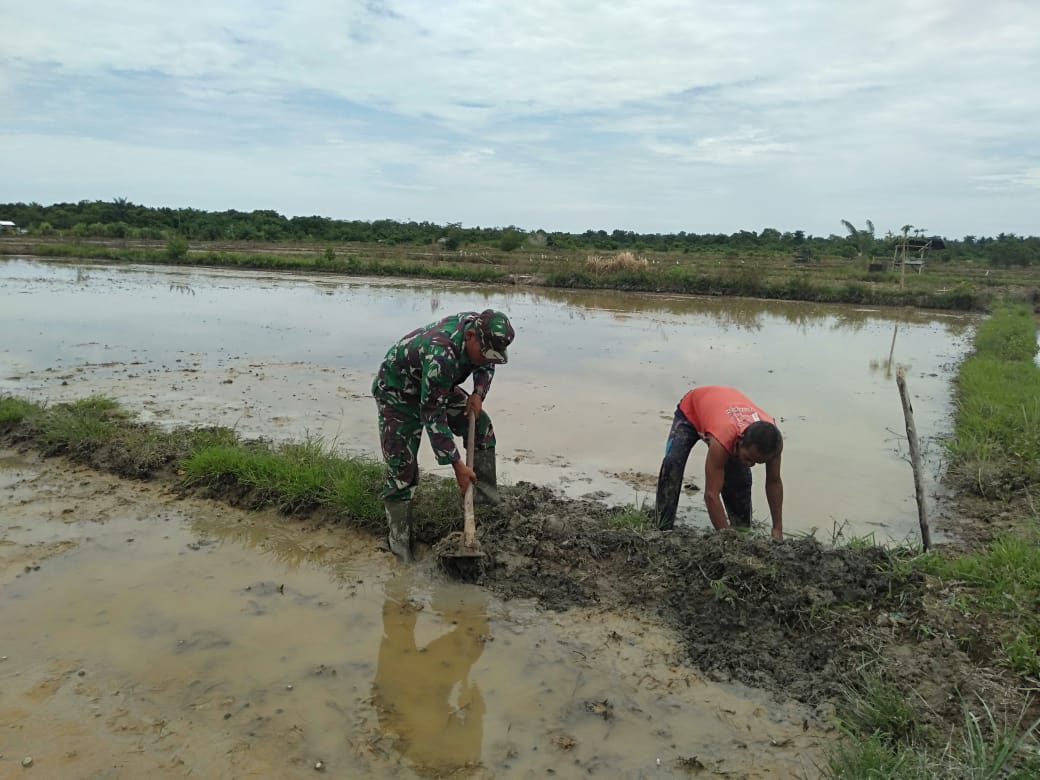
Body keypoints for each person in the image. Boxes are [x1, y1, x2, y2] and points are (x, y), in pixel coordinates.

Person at [373, 309, 515, 562]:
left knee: (481, 425)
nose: (486, 359)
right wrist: (457, 465)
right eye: (483, 354)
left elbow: (487, 363)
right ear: (470, 336)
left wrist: (478, 393)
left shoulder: (481, 332)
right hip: (398, 393)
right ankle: (399, 541)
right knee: (402, 469)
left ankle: (482, 499)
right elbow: (432, 413)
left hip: (437, 387)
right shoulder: (442, 354)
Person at [655, 385, 785, 539]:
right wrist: (727, 538)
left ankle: (742, 529)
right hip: (692, 409)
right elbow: (711, 494)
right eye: (749, 458)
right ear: (740, 440)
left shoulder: (773, 442)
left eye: (757, 462)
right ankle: (662, 527)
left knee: (741, 479)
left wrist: (777, 528)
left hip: (724, 409)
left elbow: (774, 481)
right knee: (673, 463)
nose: (751, 464)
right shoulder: (723, 438)